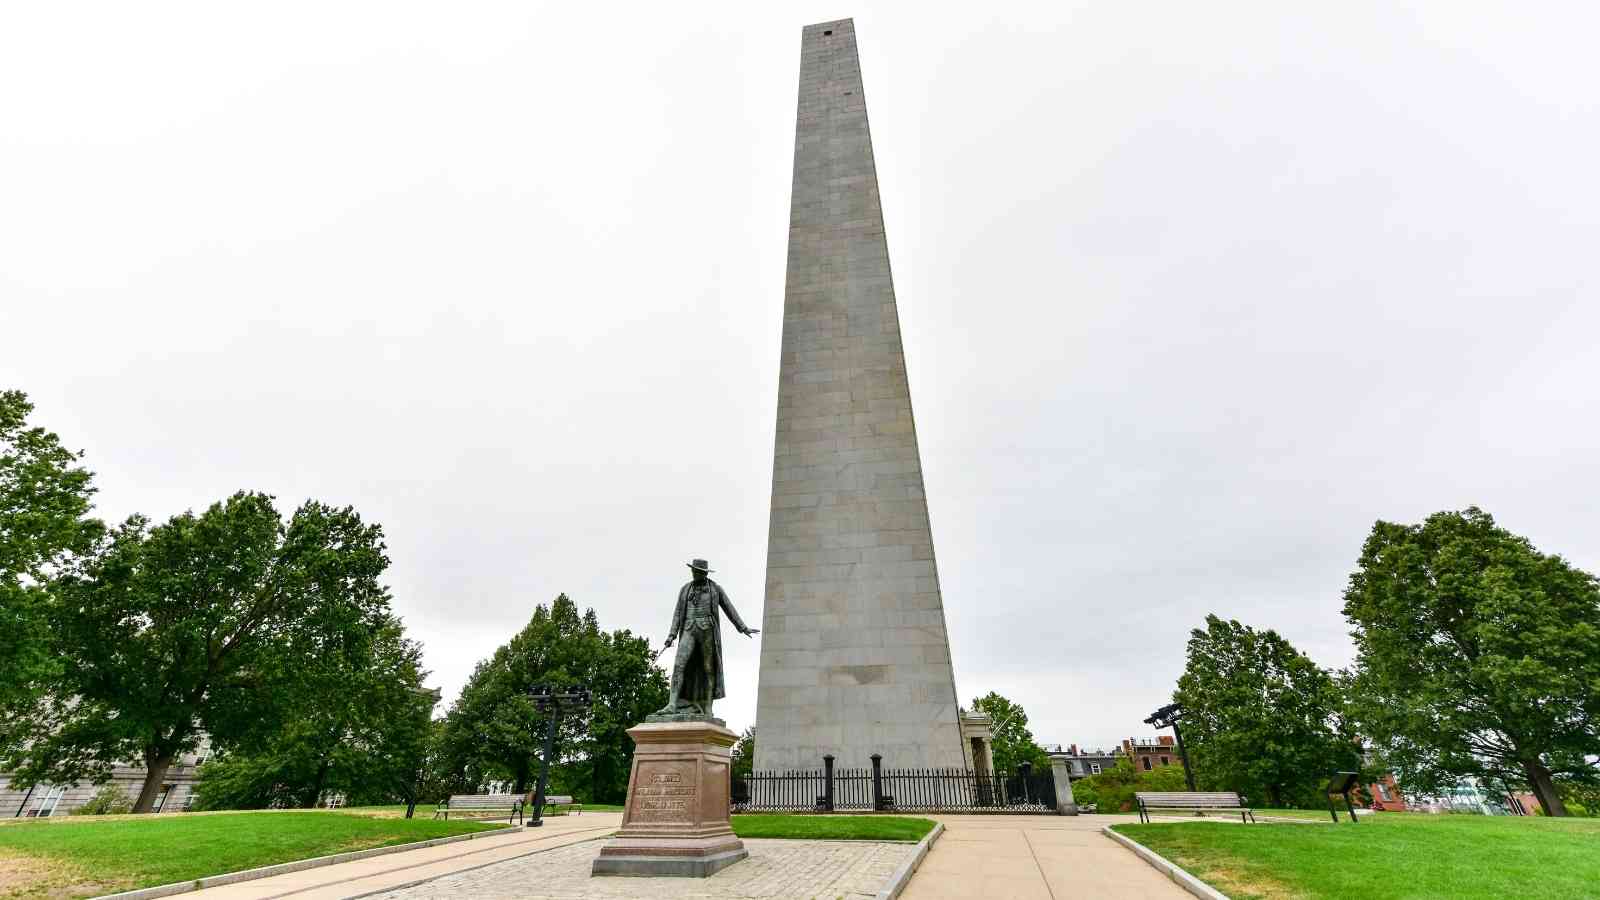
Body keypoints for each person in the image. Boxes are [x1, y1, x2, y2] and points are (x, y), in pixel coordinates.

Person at [654, 558, 757, 719]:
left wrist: (742, 627)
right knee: (679, 665)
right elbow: (678, 613)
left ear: (703, 573)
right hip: (688, 628)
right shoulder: (685, 589)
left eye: (697, 571)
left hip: (707, 629)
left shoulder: (715, 588)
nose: (694, 573)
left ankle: (708, 706)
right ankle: (672, 704)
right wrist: (671, 635)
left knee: (709, 668)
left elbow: (729, 608)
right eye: (693, 571)